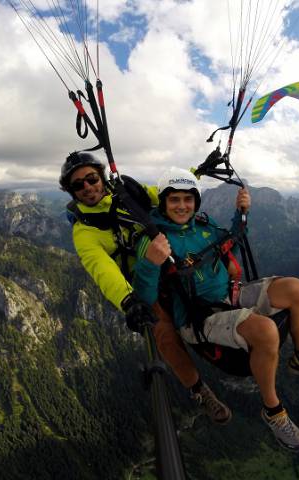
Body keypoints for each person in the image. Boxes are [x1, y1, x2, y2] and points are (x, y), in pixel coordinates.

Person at [133, 167, 299, 453]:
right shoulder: (154, 240)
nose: (182, 206)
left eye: (188, 199)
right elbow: (145, 297)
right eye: (174, 200)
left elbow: (233, 236)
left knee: (297, 289)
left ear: (196, 202)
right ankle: (273, 411)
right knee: (266, 330)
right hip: (199, 316)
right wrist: (149, 263)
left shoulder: (203, 225)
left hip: (231, 294)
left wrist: (241, 212)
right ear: (164, 202)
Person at [59, 152, 231, 424]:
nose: (87, 187)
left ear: (101, 177)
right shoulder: (85, 231)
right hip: (142, 280)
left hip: (169, 264)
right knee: (162, 332)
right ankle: (200, 390)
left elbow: (163, 192)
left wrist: (198, 171)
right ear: (71, 192)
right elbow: (102, 269)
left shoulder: (127, 194)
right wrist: (129, 301)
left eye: (91, 178)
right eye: (78, 185)